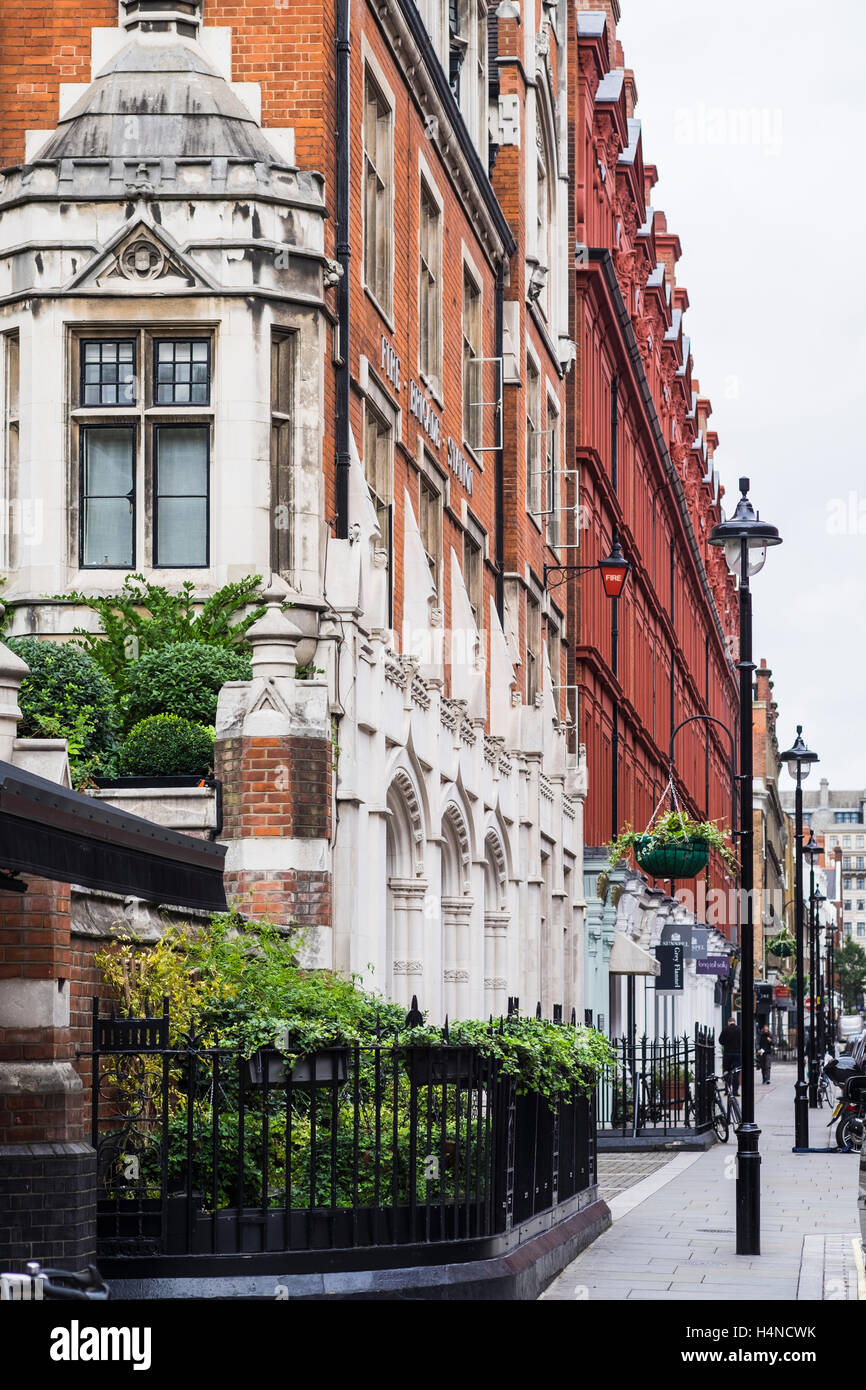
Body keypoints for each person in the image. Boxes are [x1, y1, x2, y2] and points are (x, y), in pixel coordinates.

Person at [719, 1016, 742, 1096]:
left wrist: (726, 1043)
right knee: (736, 1073)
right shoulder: (739, 1029)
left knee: (727, 1072)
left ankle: (727, 1090)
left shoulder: (725, 1029)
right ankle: (735, 1091)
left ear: (729, 1022)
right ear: (735, 1022)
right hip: (737, 1054)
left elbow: (721, 1041)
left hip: (727, 1053)